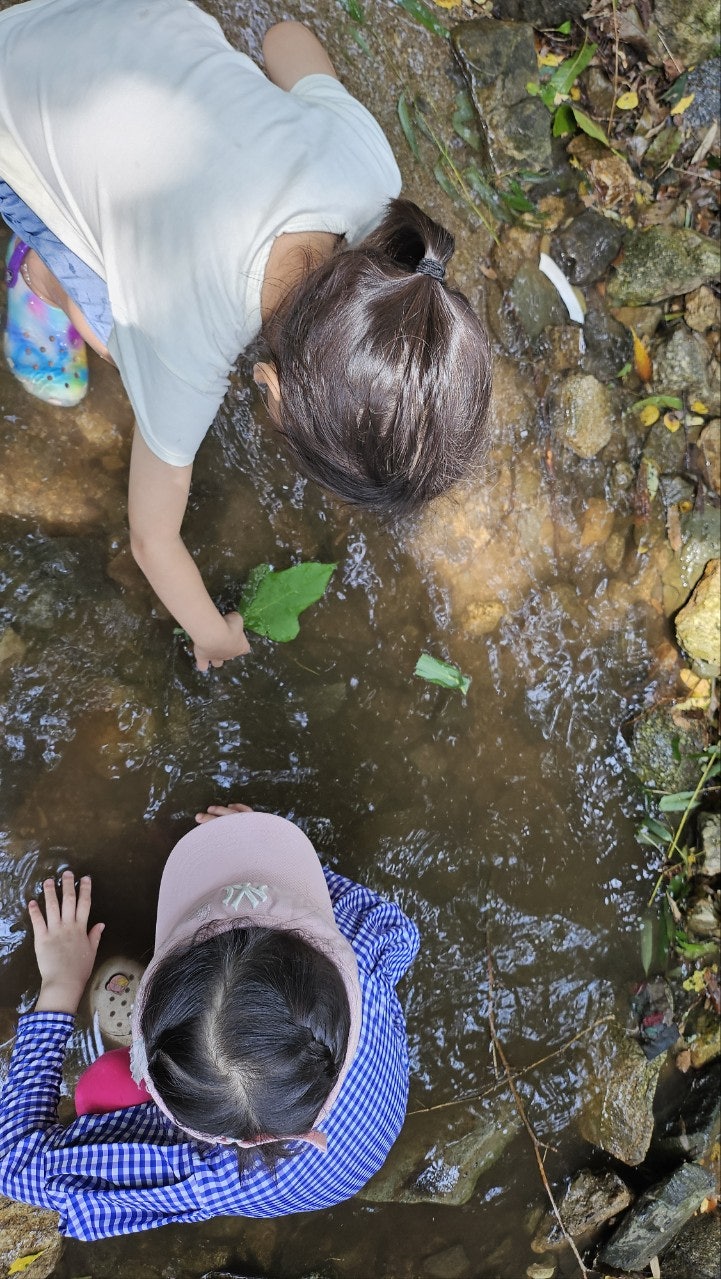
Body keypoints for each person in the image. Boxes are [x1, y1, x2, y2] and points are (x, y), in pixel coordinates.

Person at [0, 0, 493, 671]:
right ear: (271, 386)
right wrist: (213, 632)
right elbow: (151, 538)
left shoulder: (371, 174)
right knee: (119, 333)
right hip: (16, 112)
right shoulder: (184, 343)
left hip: (124, 20)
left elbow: (285, 38)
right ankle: (40, 281)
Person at [0, 802, 420, 1240]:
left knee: (99, 1086)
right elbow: (401, 933)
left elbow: (15, 1167)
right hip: (344, 1159)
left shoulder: (195, 1172)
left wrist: (60, 987)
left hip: (298, 1164)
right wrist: (269, 858)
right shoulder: (361, 960)